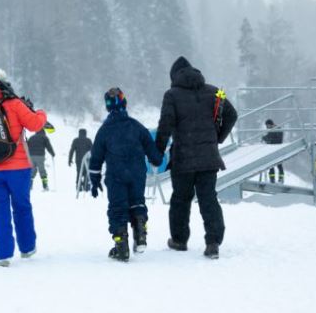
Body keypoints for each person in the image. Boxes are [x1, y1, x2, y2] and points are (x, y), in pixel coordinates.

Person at [155, 56, 237, 259]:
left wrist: (158, 152)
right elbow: (232, 114)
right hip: (208, 158)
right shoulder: (214, 91)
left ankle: (179, 240)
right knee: (208, 198)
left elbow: (165, 125)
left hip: (183, 158)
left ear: (174, 77)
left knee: (180, 199)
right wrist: (217, 137)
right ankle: (213, 242)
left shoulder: (172, 95)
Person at [0, 72, 48, 266]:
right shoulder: (15, 104)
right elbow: (35, 124)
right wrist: (41, 112)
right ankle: (27, 248)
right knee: (21, 207)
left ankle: (3, 255)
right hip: (17, 169)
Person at [88, 87, 162, 262]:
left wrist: (94, 180)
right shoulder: (137, 127)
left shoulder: (104, 130)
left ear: (108, 107)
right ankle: (140, 233)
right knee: (137, 202)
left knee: (118, 208)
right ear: (125, 103)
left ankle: (121, 246)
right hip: (137, 173)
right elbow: (154, 154)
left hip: (116, 175)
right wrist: (157, 158)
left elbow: (96, 158)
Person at [262, 119, 285, 183]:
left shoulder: (278, 129)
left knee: (279, 165)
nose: (267, 127)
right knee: (271, 165)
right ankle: (272, 179)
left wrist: (270, 140)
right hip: (271, 150)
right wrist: (264, 138)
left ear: (270, 124)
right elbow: (269, 136)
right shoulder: (271, 130)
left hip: (277, 149)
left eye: (267, 125)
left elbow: (279, 140)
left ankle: (281, 179)